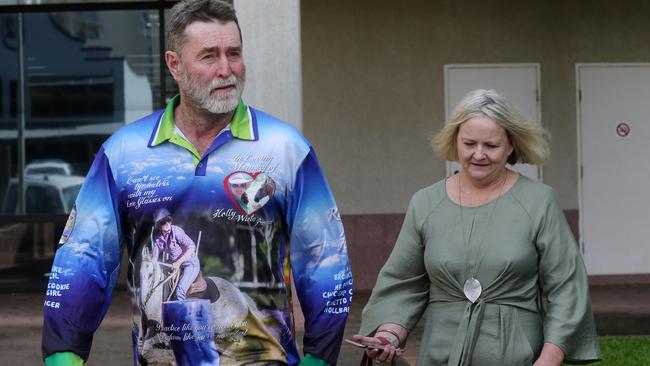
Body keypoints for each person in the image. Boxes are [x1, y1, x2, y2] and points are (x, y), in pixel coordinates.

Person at [41, 1, 352, 365]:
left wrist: (320, 357)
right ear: (174, 64)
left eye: (233, 53)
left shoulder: (286, 149)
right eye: (209, 56)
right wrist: (64, 355)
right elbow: (84, 259)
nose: (226, 69)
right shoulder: (124, 152)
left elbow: (325, 259)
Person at [353, 89, 601, 365]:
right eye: (469, 143)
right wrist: (388, 335)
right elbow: (403, 283)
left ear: (511, 146)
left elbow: (566, 287)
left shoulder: (539, 201)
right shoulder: (425, 202)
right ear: (454, 141)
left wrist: (548, 359)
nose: (479, 154)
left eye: (491, 146)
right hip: (440, 353)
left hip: (517, 355)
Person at [151, 208, 200, 301]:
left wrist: (178, 263)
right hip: (173, 262)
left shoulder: (176, 232)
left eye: (169, 220)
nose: (167, 224)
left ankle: (182, 314)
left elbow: (192, 247)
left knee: (179, 292)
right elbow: (154, 257)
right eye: (163, 222)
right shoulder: (157, 238)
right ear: (158, 225)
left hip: (190, 263)